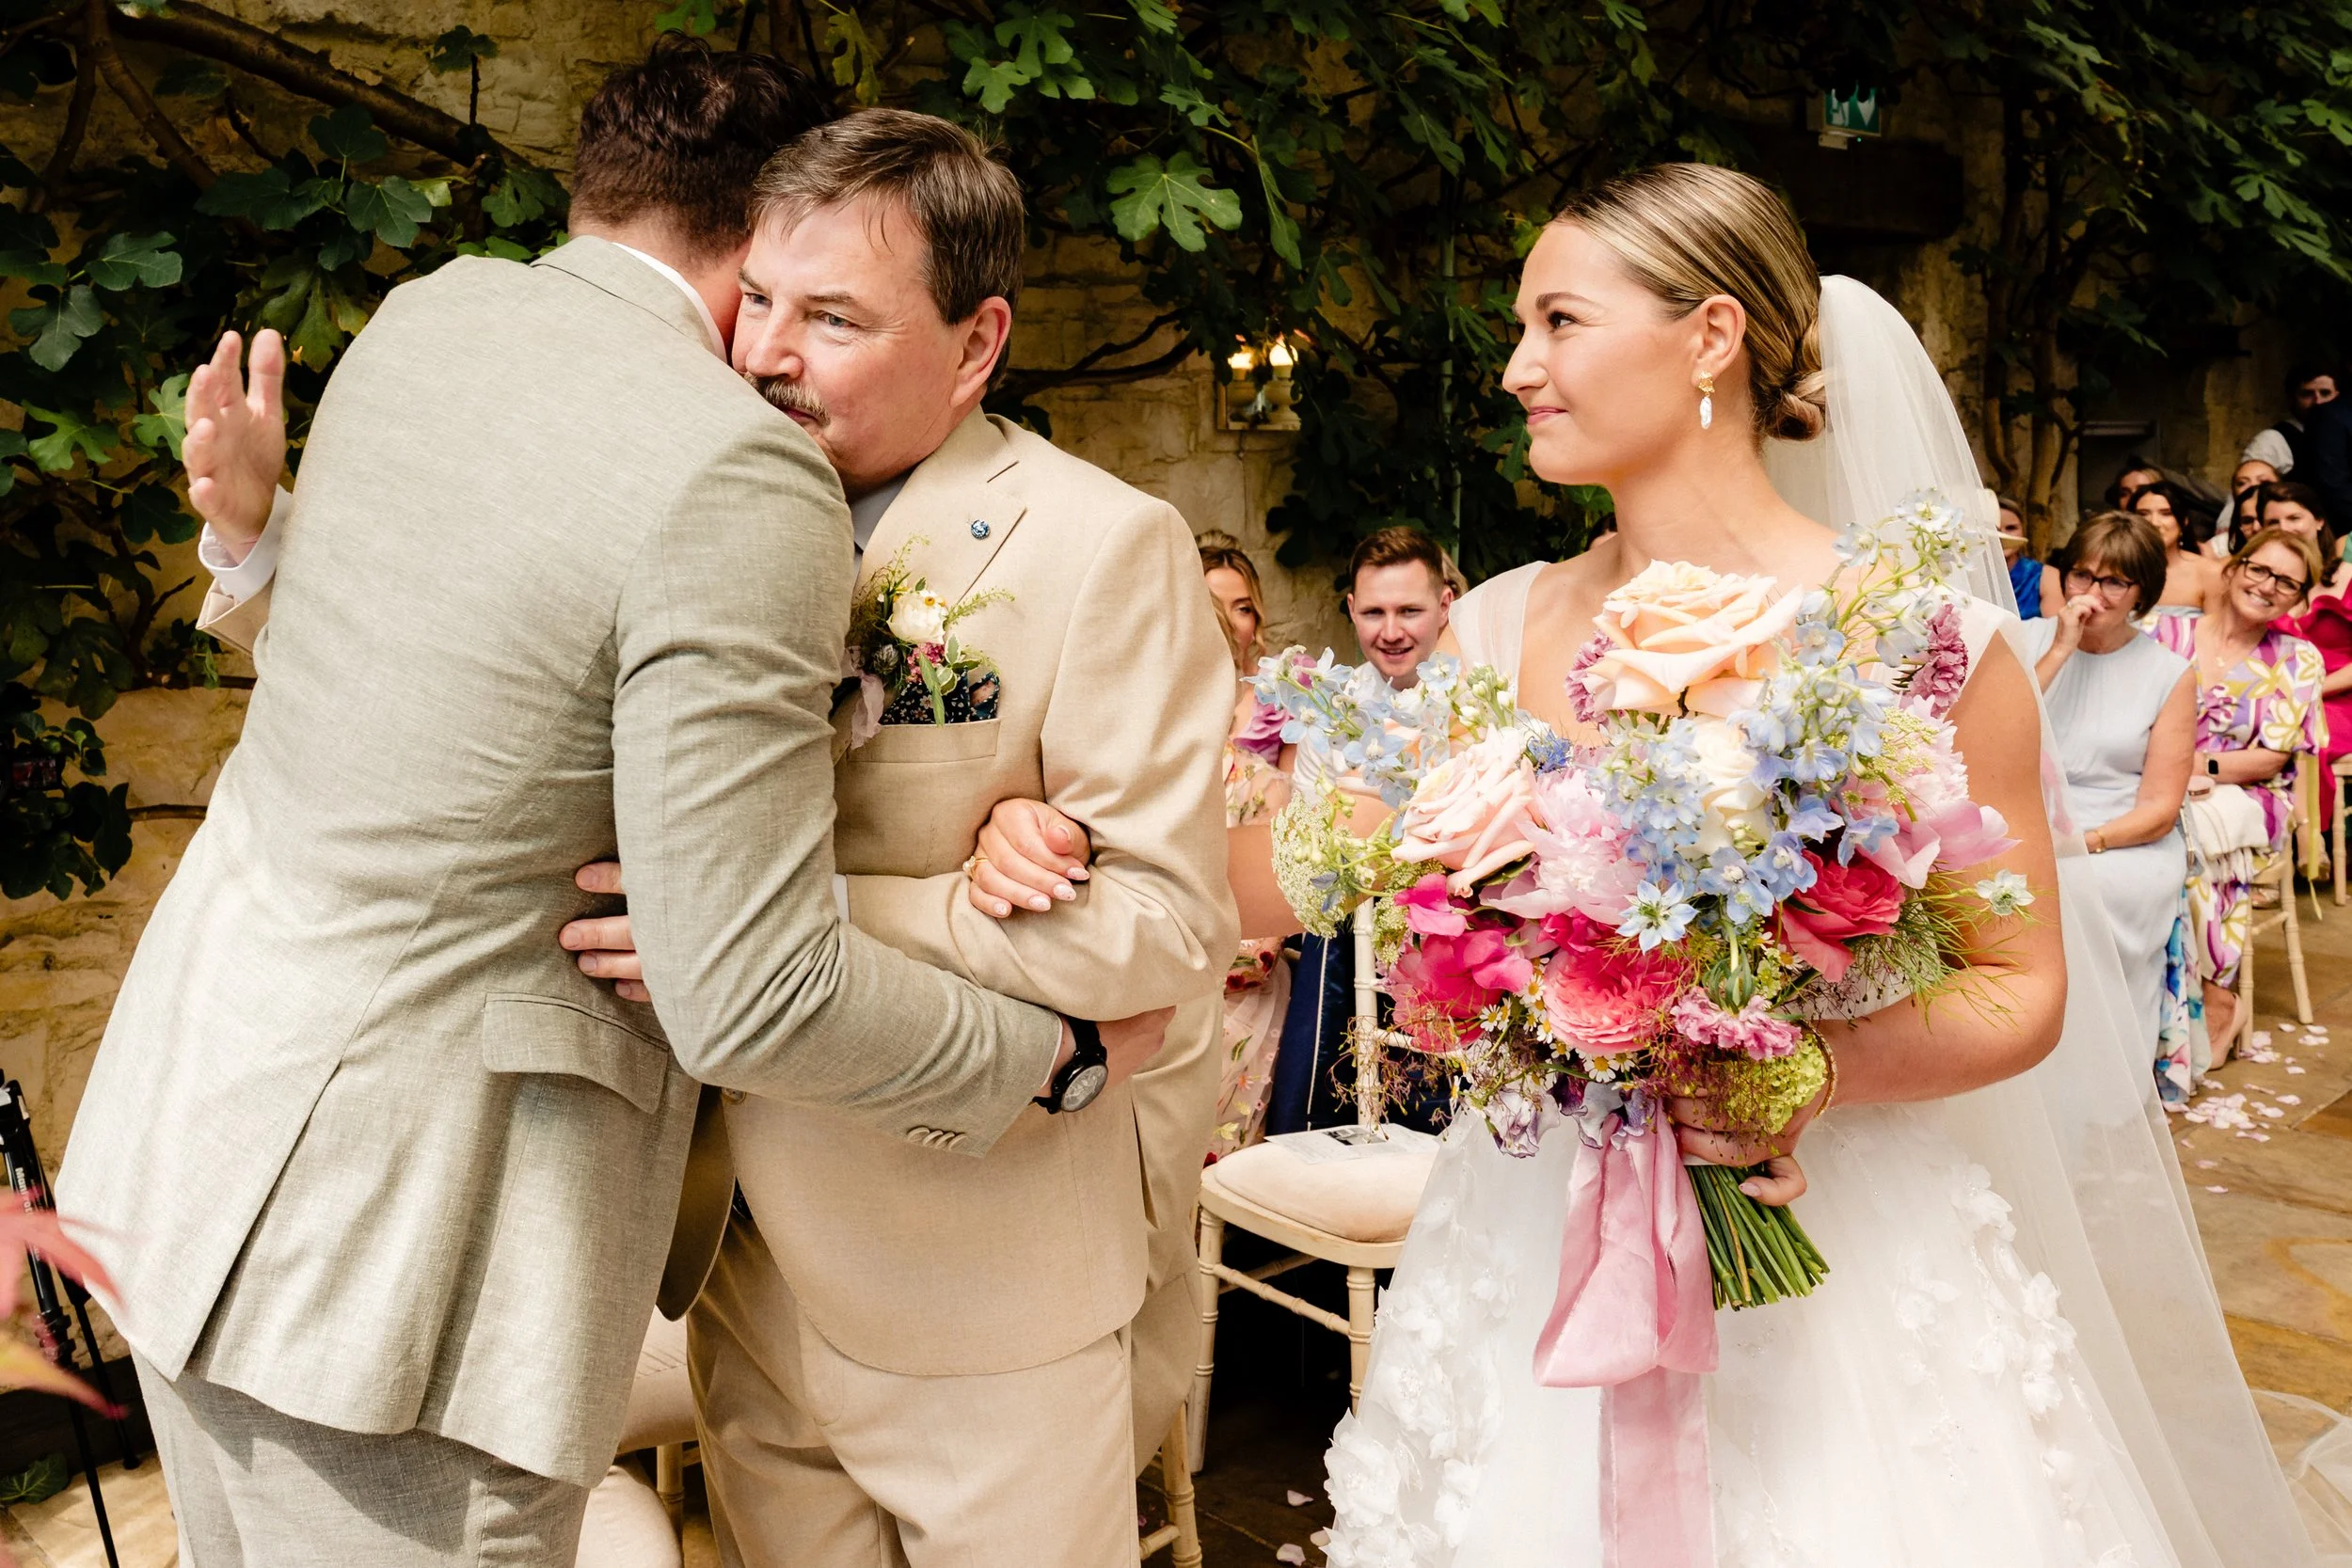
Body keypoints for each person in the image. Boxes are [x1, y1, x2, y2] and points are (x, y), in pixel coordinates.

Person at [62, 53, 1183, 1567]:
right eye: (772, 296)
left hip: (948, 1270)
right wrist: (1043, 1063)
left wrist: (264, 549)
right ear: (750, 234)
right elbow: (507, 739)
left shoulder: (442, 317)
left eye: (832, 311)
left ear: (976, 340)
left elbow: (1159, 919)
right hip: (542, 1256)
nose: (776, 349)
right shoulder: (716, 461)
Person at [1321, 162, 2315, 1567]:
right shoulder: (1495, 627)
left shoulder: (1920, 644)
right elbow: (1407, 906)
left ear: (1710, 336)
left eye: (1557, 322)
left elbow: (2021, 989)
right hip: (1537, 1232)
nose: (1516, 367)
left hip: (1825, 1245)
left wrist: (1802, 1071)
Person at [2021, 513, 2199, 1098]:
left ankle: (2094, 1086)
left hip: (2121, 838)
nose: (2091, 595)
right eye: (2080, 575)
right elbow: (1994, 733)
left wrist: (2082, 844)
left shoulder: (2168, 673)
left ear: (2141, 591)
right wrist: (2060, 650)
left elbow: (2160, 809)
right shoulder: (2026, 642)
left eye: (2113, 582)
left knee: (2073, 890)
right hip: (2026, 815)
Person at [2153, 526, 2329, 1059]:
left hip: (2251, 793)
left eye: (2287, 583)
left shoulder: (2298, 658)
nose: (2269, 586)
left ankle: (2215, 992)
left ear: (2297, 599)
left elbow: (2270, 757)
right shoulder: (2165, 633)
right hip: (2163, 780)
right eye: (2260, 569)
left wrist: (2193, 769)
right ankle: (2139, 993)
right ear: (2234, 568)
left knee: (2188, 834)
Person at [1196, 531, 1298, 1156]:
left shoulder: (1266, 774)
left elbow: (1260, 944)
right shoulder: (1145, 760)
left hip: (1233, 962)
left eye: (1241, 607)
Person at [1344, 525, 1457, 686]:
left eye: (1409, 611)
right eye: (1374, 612)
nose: (1391, 635)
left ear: (1444, 606)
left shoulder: (1481, 700)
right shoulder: (1338, 702)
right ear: (1352, 610)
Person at [2131, 476, 2223, 616]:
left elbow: (2219, 633)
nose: (2154, 522)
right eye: (2143, 514)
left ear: (2184, 521)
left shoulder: (2210, 573)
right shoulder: (2117, 570)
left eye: (2166, 514)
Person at [1994, 493, 2054, 616]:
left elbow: (2057, 630)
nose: (2003, 535)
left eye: (2011, 528)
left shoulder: (2046, 576)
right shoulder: (1968, 577)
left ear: (2023, 530)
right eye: (1995, 529)